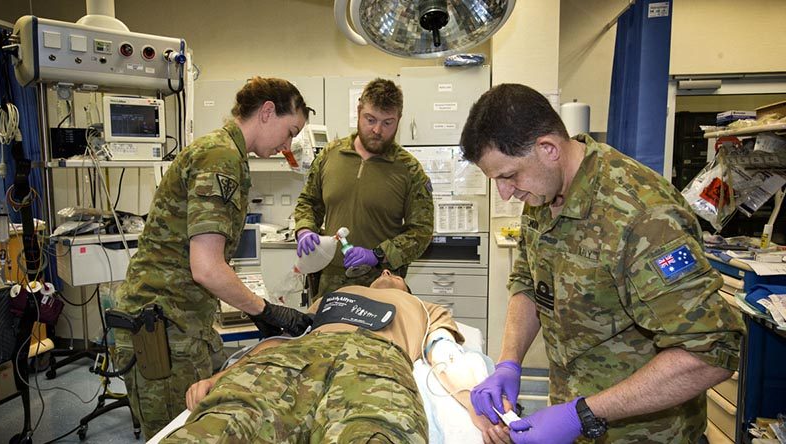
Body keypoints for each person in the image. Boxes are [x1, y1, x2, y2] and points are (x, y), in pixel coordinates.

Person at [460, 84, 745, 444]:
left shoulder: (642, 215)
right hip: (577, 420)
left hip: (647, 434)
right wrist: (508, 362)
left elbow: (711, 352)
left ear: (548, 149)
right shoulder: (542, 193)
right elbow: (529, 281)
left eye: (508, 176)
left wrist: (583, 414)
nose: (505, 193)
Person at [113, 77, 315, 438]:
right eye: (290, 131)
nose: (288, 144)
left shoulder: (227, 154)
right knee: (182, 432)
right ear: (267, 112)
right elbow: (206, 267)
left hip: (181, 321)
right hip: (162, 328)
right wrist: (265, 310)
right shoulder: (220, 157)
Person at [160, 269, 514, 443]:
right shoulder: (336, 295)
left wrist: (474, 405)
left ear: (406, 287)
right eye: (384, 272)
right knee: (229, 419)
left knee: (371, 433)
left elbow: (445, 355)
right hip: (301, 355)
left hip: (375, 357)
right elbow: (286, 340)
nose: (388, 273)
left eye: (397, 275)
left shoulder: (423, 306)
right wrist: (220, 379)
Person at [293, 78, 434, 302]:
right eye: (370, 119)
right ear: (359, 112)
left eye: (388, 123)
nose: (377, 130)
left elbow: (422, 232)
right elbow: (309, 201)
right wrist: (305, 229)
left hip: (382, 285)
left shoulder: (409, 169)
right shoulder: (331, 154)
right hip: (331, 284)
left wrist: (378, 255)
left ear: (399, 120)